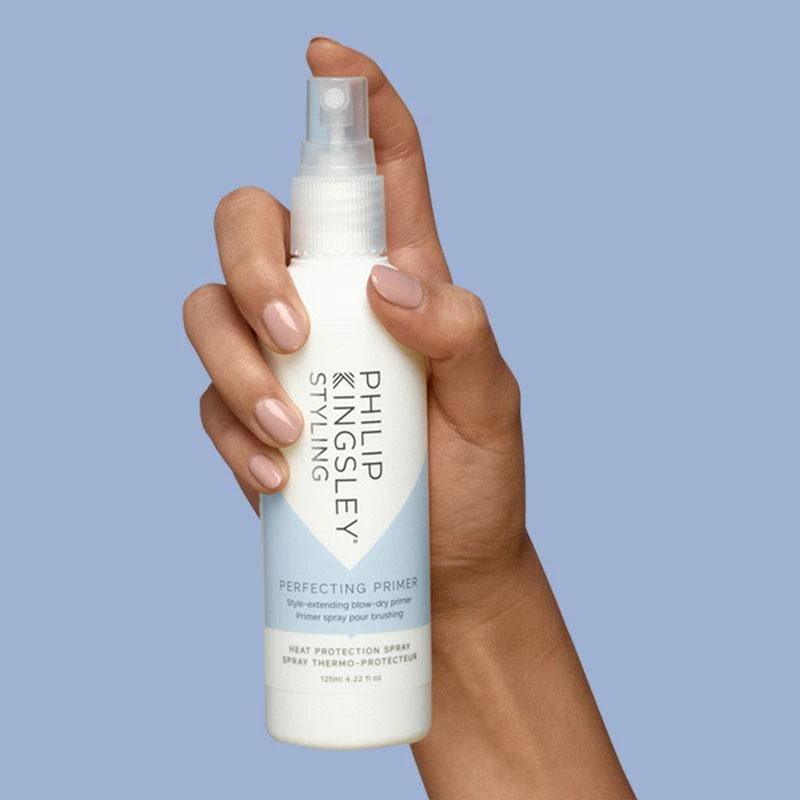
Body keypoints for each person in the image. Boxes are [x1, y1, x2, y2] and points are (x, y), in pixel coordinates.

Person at [183, 36, 634, 800]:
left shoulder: (385, 297)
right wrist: (464, 602)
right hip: (330, 635)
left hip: (419, 622)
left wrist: (473, 593)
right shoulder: (306, 297)